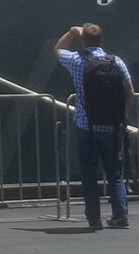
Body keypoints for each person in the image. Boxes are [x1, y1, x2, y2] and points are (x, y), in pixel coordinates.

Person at [56, 24, 134, 230]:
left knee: (89, 174)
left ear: (83, 41)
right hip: (112, 126)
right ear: (102, 40)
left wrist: (73, 32)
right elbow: (130, 92)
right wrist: (124, 114)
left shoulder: (76, 61)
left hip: (86, 126)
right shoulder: (116, 61)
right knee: (115, 174)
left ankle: (94, 219)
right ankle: (120, 215)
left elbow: (57, 49)